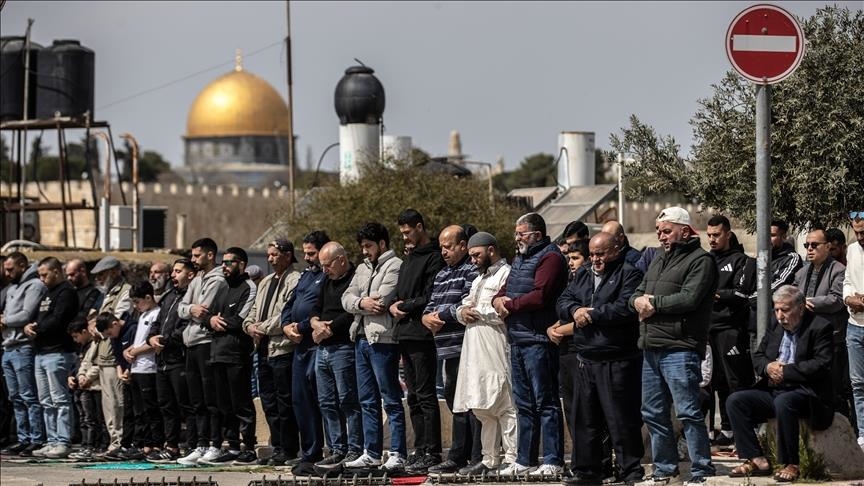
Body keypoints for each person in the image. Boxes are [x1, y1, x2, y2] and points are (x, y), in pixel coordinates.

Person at [630, 206, 717, 485]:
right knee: (653, 413)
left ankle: (701, 470)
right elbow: (637, 291)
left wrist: (652, 304)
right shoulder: (657, 258)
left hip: (680, 347)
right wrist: (637, 302)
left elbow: (689, 299)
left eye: (666, 231)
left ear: (685, 230)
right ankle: (665, 469)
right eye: (659, 231)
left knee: (688, 412)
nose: (662, 236)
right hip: (651, 347)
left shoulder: (701, 260)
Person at [554, 231, 645, 485]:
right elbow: (563, 301)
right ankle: (588, 471)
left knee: (620, 419)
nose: (595, 259)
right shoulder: (582, 274)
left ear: (616, 250)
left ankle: (630, 471)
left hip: (616, 358)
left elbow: (625, 307)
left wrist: (592, 315)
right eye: (592, 254)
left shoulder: (629, 273)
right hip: (586, 358)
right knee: (585, 420)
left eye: (600, 254)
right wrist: (576, 310)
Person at [726, 285, 834, 483]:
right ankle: (756, 459)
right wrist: (768, 368)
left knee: (785, 401)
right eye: (776, 310)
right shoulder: (775, 325)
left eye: (785, 310)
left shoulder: (820, 327)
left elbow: (821, 365)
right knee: (736, 400)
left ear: (800, 308)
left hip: (806, 392)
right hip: (775, 388)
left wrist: (786, 371)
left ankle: (791, 463)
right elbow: (758, 356)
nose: (779, 315)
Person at [492, 212, 568, 477]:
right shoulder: (520, 258)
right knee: (523, 403)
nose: (517, 238)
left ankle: (553, 459)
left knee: (545, 402)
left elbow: (540, 295)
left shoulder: (550, 257)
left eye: (521, 233)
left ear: (536, 234)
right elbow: (507, 288)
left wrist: (510, 305)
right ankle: (525, 458)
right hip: (518, 339)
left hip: (538, 339)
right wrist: (498, 300)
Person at [341, 222, 407, 470]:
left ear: (382, 244)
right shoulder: (361, 268)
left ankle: (398, 453)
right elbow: (346, 298)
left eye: (368, 246)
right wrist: (362, 303)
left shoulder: (395, 265)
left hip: (383, 341)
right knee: (367, 400)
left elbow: (383, 299)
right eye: (362, 247)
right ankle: (372, 453)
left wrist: (361, 302)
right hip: (360, 338)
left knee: (390, 398)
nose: (364, 251)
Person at [453, 232, 518, 475]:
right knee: (482, 408)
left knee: (504, 404)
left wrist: (476, 312)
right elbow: (465, 303)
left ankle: (512, 458)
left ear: (491, 250)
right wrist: (461, 313)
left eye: (476, 255)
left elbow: (502, 309)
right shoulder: (478, 279)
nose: (472, 260)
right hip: (474, 350)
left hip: (496, 347)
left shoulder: (506, 274)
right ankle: (489, 459)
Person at [421, 225, 481, 474]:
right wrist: (426, 318)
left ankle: (475, 456)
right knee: (455, 404)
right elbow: (431, 305)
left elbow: (466, 304)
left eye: (448, 246)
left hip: (464, 347)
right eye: (442, 247)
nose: (444, 251)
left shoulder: (471, 270)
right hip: (445, 348)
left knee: (473, 406)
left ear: (463, 246)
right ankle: (457, 456)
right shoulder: (442, 274)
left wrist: (440, 315)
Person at [389, 209, 445, 472]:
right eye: (401, 233)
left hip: (422, 336)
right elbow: (399, 293)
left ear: (420, 227)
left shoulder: (434, 257)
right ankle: (419, 448)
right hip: (404, 334)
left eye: (408, 232)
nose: (405, 237)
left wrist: (406, 305)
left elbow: (430, 295)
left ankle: (432, 451)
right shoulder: (409, 258)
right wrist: (393, 305)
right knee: (412, 396)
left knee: (425, 394)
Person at [243, 239, 301, 466]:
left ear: (287, 255)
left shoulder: (295, 280)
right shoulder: (266, 281)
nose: (270, 259)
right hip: (263, 348)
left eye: (275, 254)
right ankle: (277, 447)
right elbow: (254, 310)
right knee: (268, 402)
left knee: (284, 402)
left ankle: (289, 449)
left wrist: (262, 328)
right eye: (269, 255)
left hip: (282, 348)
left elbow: (287, 313)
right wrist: (249, 326)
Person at [200, 247, 258, 465]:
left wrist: (218, 321)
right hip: (217, 353)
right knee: (223, 404)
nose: (223, 266)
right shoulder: (223, 287)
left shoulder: (248, 287)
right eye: (222, 262)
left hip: (236, 354)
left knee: (241, 402)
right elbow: (205, 316)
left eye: (229, 262)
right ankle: (232, 447)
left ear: (241, 264)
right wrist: (212, 321)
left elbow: (240, 321)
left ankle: (249, 447)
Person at [309, 242, 361, 473]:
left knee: (348, 400)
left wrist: (329, 328)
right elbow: (315, 308)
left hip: (342, 346)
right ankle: (336, 448)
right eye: (322, 266)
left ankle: (354, 447)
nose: (324, 270)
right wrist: (314, 323)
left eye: (328, 264)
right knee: (327, 402)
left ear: (341, 260)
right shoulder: (326, 281)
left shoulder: (355, 277)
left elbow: (351, 311)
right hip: (322, 348)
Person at [176, 237, 228, 466]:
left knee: (211, 398)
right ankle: (199, 444)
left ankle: (215, 445)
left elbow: (202, 309)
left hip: (206, 343)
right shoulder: (196, 279)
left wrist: (192, 309)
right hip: (191, 344)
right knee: (196, 399)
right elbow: (182, 308)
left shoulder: (218, 280)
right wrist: (191, 309)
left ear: (210, 255)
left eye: (197, 256)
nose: (193, 260)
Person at [282, 230, 330, 475]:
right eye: (305, 253)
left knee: (321, 401)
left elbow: (321, 309)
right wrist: (286, 326)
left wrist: (300, 326)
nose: (307, 257)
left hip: (317, 345)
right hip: (299, 347)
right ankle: (309, 453)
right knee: (300, 401)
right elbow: (290, 304)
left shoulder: (327, 276)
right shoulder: (305, 277)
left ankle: (329, 452)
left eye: (311, 253)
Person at [705, 215, 754, 446]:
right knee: (716, 383)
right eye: (709, 236)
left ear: (728, 234)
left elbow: (741, 294)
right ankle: (726, 429)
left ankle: (743, 430)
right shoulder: (706, 261)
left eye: (716, 235)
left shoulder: (742, 261)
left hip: (731, 330)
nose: (712, 240)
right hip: (708, 330)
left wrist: (715, 294)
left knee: (736, 381)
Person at [794, 226, 850, 421]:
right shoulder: (801, 272)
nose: (809, 249)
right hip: (806, 339)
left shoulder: (839, 270)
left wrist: (807, 302)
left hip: (831, 339)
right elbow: (793, 296)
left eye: (814, 245)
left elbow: (836, 299)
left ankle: (842, 429)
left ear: (827, 247)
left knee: (835, 388)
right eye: (807, 245)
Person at [26, 257, 79, 459]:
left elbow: (58, 319)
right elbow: (41, 317)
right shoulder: (47, 292)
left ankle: (63, 441)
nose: (41, 279)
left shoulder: (66, 292)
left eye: (44, 274)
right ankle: (52, 440)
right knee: (46, 400)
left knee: (60, 399)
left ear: (57, 271)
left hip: (58, 352)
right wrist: (30, 326)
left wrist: (37, 328)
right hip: (41, 352)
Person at [146, 258, 197, 463]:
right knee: (166, 405)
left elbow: (185, 326)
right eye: (173, 271)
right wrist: (152, 337)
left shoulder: (190, 296)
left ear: (190, 274)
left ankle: (192, 446)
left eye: (178, 271)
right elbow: (157, 322)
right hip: (162, 360)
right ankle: (172, 446)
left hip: (179, 358)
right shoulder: (169, 296)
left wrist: (166, 340)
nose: (173, 275)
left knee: (186, 405)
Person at [0, 252, 47, 457]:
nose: (7, 273)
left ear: (22, 265)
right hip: (8, 347)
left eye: (11, 269)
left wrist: (5, 320)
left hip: (23, 347)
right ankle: (23, 438)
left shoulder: (34, 285)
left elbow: (26, 314)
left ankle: (36, 439)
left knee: (29, 396)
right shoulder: (12, 288)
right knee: (15, 397)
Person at [123, 281, 164, 459]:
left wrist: (136, 351)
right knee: (138, 410)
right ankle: (142, 443)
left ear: (148, 297)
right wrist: (128, 350)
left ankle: (155, 444)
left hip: (149, 367)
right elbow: (139, 340)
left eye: (137, 301)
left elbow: (153, 342)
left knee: (151, 409)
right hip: (137, 367)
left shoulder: (157, 313)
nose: (135, 306)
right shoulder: (143, 315)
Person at [67, 317, 108, 460]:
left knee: (97, 419)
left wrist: (87, 378)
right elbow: (83, 362)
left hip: (96, 386)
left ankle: (97, 446)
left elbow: (99, 363)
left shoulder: (100, 342)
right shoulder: (87, 345)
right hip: (84, 386)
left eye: (76, 336)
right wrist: (78, 376)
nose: (75, 340)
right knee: (85, 418)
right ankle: (86, 445)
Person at [844, 210, 864, 451]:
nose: (860, 237)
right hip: (855, 324)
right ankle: (862, 432)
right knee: (858, 384)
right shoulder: (851, 250)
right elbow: (848, 280)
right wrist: (849, 298)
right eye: (857, 232)